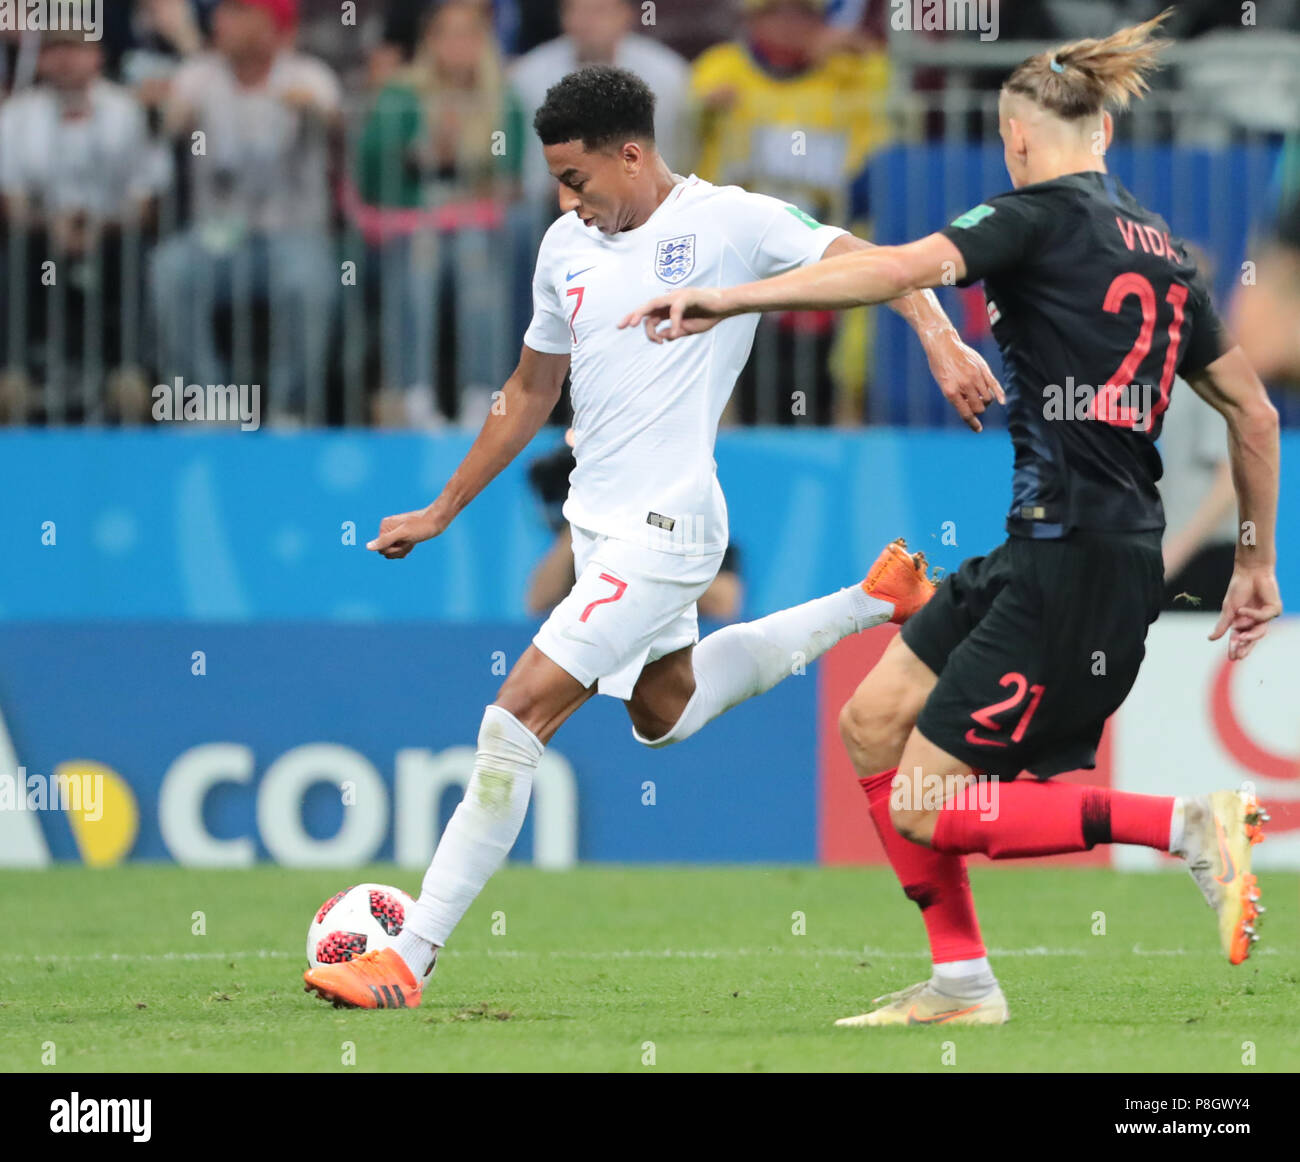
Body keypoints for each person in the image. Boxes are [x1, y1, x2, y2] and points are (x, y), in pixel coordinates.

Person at [622, 12, 1282, 1026]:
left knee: (931, 799)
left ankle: (1188, 823)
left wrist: (731, 297)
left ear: (1015, 140)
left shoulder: (1031, 215)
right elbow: (1254, 411)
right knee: (871, 723)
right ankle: (962, 984)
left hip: (1075, 561)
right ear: (1101, 133)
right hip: (1056, 547)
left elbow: (892, 268)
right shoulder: (1167, 255)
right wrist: (1252, 559)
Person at [302, 63, 1001, 1009]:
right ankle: (875, 600)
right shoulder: (563, 248)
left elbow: (874, 260)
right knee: (661, 713)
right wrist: (442, 508)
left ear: (631, 155)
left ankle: (410, 954)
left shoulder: (730, 222)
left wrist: (937, 334)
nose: (565, 198)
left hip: (670, 527)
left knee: (515, 716)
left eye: (577, 177)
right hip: (599, 528)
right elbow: (531, 391)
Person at [149, 0, 341, 422]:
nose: (221, 20)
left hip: (293, 231)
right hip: (218, 233)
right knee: (171, 271)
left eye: (238, 11)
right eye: (222, 11)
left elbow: (333, 118)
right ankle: (211, 403)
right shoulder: (198, 74)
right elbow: (168, 123)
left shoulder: (307, 74)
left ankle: (288, 408)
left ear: (271, 25)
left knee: (308, 283)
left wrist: (311, 110)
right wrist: (173, 114)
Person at [353, 0, 522, 426]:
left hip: (479, 232)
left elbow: (512, 180)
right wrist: (422, 150)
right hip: (413, 230)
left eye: (468, 35)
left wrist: (469, 179)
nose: (457, 46)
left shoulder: (503, 97)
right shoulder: (400, 94)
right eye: (447, 34)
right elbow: (374, 177)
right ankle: (412, 394)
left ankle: (482, 393)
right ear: (430, 41)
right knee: (423, 258)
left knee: (473, 256)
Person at [0, 29, 170, 421]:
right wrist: (50, 223)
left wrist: (98, 226)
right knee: (14, 252)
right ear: (41, 60)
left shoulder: (127, 110)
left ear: (98, 57)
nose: (65, 60)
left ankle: (131, 371)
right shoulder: (16, 115)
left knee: (136, 255)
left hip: (113, 235)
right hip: (40, 237)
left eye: (76, 49)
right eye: (55, 50)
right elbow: (12, 200)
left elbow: (146, 201)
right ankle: (14, 373)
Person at [510, 0, 690, 220]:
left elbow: (674, 161)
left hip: (648, 208)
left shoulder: (668, 76)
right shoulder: (527, 77)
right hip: (550, 210)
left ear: (625, 15)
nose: (588, 23)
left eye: (599, 11)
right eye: (577, 11)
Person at [525, 438, 744, 619]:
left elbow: (722, 606)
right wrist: (579, 521)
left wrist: (645, 537)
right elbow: (538, 602)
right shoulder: (583, 535)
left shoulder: (676, 528)